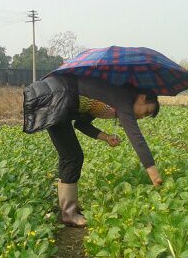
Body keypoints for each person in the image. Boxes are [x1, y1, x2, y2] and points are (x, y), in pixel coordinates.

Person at [23, 75, 162, 227]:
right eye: (146, 111)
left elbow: (81, 124)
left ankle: (69, 207)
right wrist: (154, 174)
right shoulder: (123, 98)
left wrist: (106, 137)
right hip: (56, 97)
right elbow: (136, 138)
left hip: (57, 100)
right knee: (72, 157)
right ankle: (69, 214)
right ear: (142, 98)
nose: (142, 117)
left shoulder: (108, 99)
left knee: (70, 156)